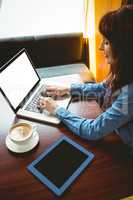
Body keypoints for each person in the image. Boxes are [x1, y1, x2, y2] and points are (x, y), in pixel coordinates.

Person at [38, 5, 133, 153]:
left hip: (124, 152)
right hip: (116, 132)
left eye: (106, 42)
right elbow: (103, 88)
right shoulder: (123, 70)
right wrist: (69, 89)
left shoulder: (130, 93)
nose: (101, 47)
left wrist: (57, 110)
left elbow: (93, 131)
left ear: (124, 49)